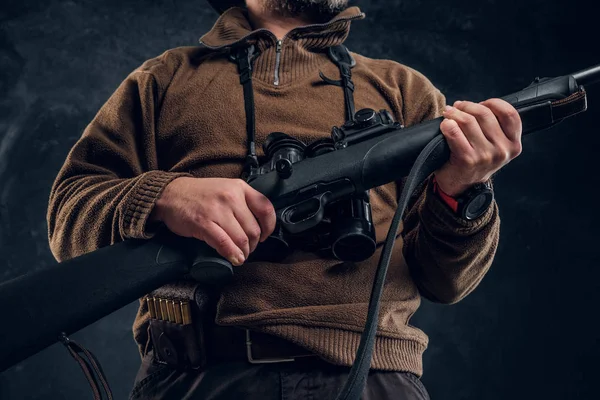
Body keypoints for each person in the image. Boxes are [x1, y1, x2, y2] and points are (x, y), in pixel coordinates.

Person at [46, 0, 522, 398]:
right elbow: (69, 212)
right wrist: (166, 196)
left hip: (373, 377)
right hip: (197, 376)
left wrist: (464, 190)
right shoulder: (164, 80)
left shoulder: (405, 91)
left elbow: (447, 281)